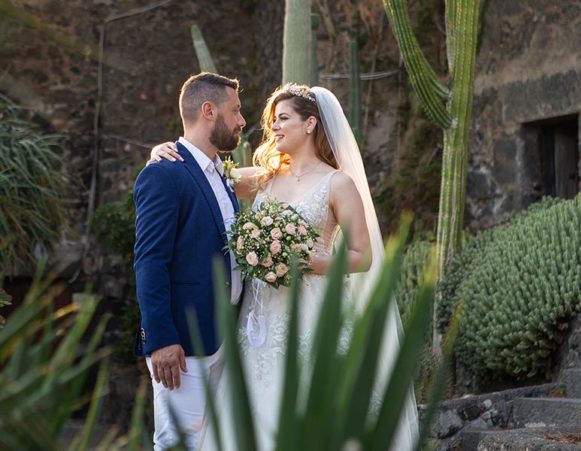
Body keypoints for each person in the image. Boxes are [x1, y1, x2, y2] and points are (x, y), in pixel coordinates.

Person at [150, 84, 419, 450]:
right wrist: (164, 151)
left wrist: (308, 260)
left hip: (313, 311)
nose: (273, 128)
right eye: (272, 120)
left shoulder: (338, 183)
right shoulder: (265, 176)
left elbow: (363, 255)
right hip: (258, 320)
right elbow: (205, 174)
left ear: (310, 124)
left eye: (283, 119)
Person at [134, 72, 246, 450]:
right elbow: (150, 260)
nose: (242, 122)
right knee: (176, 444)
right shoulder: (164, 174)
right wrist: (161, 338)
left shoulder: (221, 176)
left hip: (225, 336)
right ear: (209, 110)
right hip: (182, 346)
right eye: (236, 111)